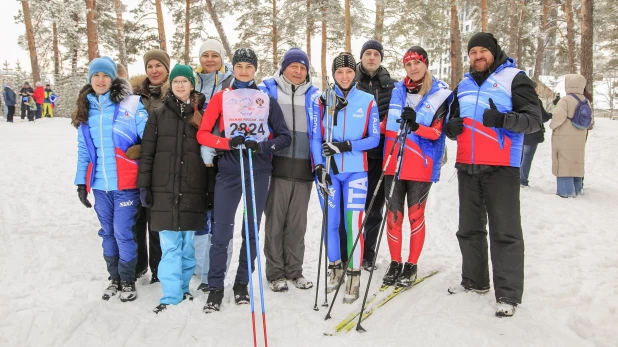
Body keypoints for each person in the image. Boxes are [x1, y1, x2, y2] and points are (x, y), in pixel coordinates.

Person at [443, 32, 542, 317]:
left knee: (505, 232)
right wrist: (451, 128)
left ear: (493, 52)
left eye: (482, 51)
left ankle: (508, 295)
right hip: (468, 167)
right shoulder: (463, 84)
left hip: (501, 167)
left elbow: (535, 121)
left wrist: (503, 120)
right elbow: (453, 119)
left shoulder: (514, 78)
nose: (477, 57)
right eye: (472, 52)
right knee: (469, 229)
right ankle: (475, 281)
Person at [197, 48, 291, 313]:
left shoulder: (265, 99)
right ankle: (215, 287)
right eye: (239, 66)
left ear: (255, 70)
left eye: (249, 67)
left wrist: (264, 146)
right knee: (221, 232)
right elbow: (203, 134)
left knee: (250, 230)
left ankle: (241, 284)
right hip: (229, 170)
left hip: (258, 171)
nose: (243, 71)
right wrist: (226, 142)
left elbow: (284, 137)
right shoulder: (221, 97)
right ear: (233, 68)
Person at [72, 56, 148, 302]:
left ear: (113, 78)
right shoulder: (86, 109)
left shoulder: (131, 104)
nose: (101, 80)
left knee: (123, 232)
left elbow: (149, 137)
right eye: (96, 75)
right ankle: (113, 278)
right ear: (90, 79)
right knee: (107, 233)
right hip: (100, 185)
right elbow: (84, 151)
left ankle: (128, 280)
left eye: (105, 75)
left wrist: (139, 151)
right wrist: (81, 183)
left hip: (126, 184)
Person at [137, 64, 208, 314]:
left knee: (188, 245)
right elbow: (147, 154)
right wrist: (143, 185)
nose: (180, 85)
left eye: (184, 81)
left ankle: (184, 286)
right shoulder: (157, 114)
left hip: (192, 190)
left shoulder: (202, 115)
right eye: (176, 81)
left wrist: (209, 191)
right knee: (169, 246)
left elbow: (209, 156)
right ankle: (170, 293)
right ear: (171, 85)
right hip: (164, 190)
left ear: (192, 85)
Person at [310, 52, 380, 304]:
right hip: (329, 172)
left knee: (353, 224)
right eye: (339, 72)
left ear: (355, 73)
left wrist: (346, 145)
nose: (344, 76)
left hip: (356, 171)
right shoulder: (322, 100)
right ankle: (335, 269)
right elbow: (316, 137)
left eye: (349, 71)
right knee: (331, 222)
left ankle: (353, 276)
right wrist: (319, 166)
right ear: (333, 74)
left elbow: (374, 139)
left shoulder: (367, 100)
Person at [380, 46, 452, 287]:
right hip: (394, 162)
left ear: (426, 64)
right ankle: (395, 262)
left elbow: (438, 132)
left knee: (415, 216)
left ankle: (411, 264)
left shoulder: (439, 93)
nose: (413, 68)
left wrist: (417, 126)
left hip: (420, 163)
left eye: (417, 63)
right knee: (393, 216)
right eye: (408, 64)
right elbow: (385, 124)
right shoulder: (397, 91)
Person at [259, 47, 319, 292]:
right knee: (275, 223)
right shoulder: (267, 91)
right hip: (276, 166)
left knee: (297, 224)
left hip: (304, 168)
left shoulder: (315, 96)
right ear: (284, 67)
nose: (298, 71)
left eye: (303, 67)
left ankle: (295, 271)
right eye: (294, 66)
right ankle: (275, 273)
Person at [192, 39, 235, 294]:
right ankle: (201, 268)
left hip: (224, 157)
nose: (209, 59)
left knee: (221, 216)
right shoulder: (192, 81)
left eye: (214, 55)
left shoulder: (231, 83)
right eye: (205, 55)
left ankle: (217, 269)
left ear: (221, 58)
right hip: (196, 158)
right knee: (200, 216)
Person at [351, 39, 396, 271]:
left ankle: (368, 253)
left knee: (374, 207)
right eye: (367, 53)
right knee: (353, 206)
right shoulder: (350, 81)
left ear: (380, 58)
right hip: (355, 155)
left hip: (380, 155)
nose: (371, 57)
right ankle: (350, 249)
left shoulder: (392, 86)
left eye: (375, 54)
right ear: (361, 57)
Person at [129, 49, 171, 284]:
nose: (154, 70)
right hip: (134, 165)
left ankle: (158, 268)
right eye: (150, 66)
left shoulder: (174, 93)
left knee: (156, 220)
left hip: (161, 166)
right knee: (136, 218)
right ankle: (138, 265)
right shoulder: (133, 96)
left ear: (166, 68)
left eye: (159, 66)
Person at [549, 74, 588, 198]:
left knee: (564, 161)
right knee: (576, 162)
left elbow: (558, 117)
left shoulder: (565, 100)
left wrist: (552, 126)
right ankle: (577, 189)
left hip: (565, 136)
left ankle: (565, 191)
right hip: (580, 136)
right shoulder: (585, 100)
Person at [520, 82, 552, 187]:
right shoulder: (535, 101)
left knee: (518, 157)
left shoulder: (517, 99)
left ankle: (516, 179)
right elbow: (544, 118)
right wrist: (550, 115)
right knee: (527, 157)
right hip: (532, 133)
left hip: (519, 133)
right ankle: (522, 180)